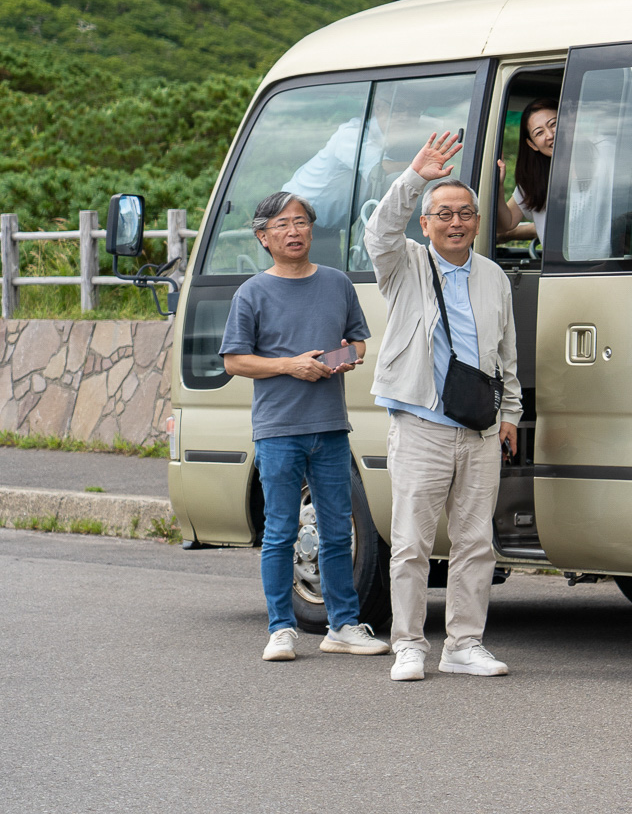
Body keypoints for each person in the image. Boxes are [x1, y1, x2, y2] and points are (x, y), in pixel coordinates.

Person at [367, 131, 522, 682]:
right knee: (411, 540)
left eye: (466, 214)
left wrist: (511, 414)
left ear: (478, 222)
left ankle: (464, 643)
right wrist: (415, 178)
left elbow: (507, 355)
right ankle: (408, 643)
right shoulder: (402, 264)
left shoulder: (494, 277)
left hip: (478, 428)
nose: (455, 222)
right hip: (420, 423)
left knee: (476, 541)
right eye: (444, 214)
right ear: (427, 222)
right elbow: (380, 229)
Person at [218, 191, 388, 663]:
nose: (294, 231)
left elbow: (357, 347)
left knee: (338, 531)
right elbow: (234, 361)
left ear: (313, 229)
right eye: (282, 225)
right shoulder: (252, 292)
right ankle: (281, 628)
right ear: (263, 237)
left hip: (332, 425)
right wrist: (290, 366)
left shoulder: (337, 284)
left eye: (301, 222)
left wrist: (328, 362)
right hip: (277, 429)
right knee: (280, 531)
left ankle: (343, 625)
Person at [495, 97, 558, 241]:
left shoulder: (602, 161)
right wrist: (498, 185)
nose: (550, 135)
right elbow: (506, 224)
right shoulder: (534, 181)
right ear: (532, 144)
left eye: (554, 124)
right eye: (539, 133)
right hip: (555, 263)